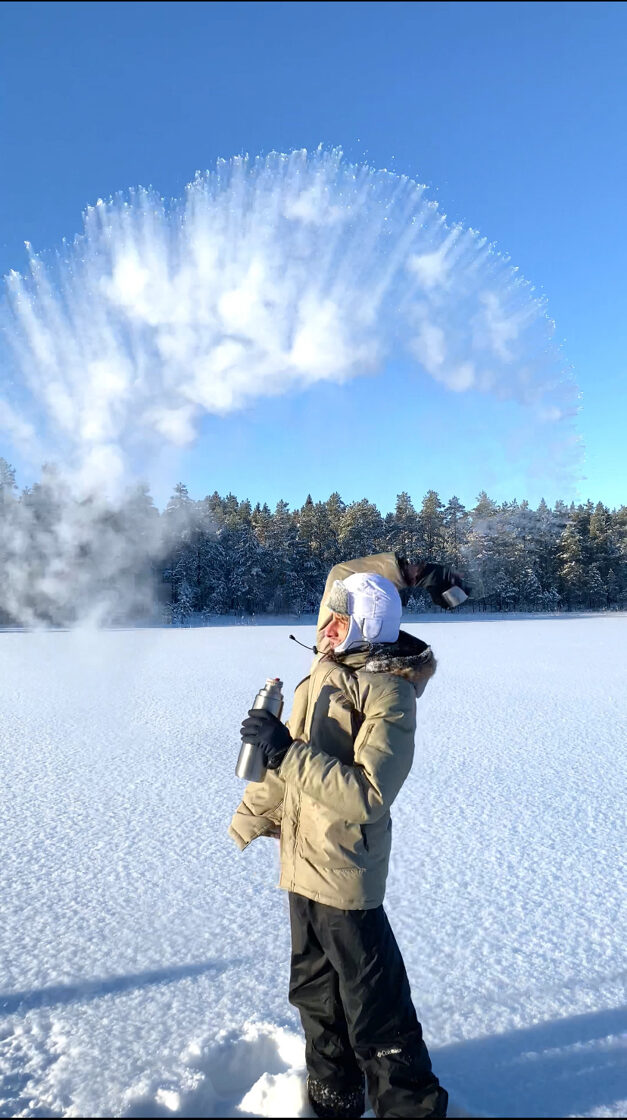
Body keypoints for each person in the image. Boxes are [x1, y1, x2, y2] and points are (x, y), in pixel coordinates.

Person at [229, 552, 467, 1118]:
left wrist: (285, 751)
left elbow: (368, 795)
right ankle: (334, 1098)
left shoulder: (388, 693)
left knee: (374, 1008)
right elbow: (344, 578)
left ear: (364, 627)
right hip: (301, 866)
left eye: (339, 621)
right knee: (314, 995)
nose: (326, 629)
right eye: (326, 620)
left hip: (345, 872)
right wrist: (254, 810)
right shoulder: (321, 673)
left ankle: (411, 1106)